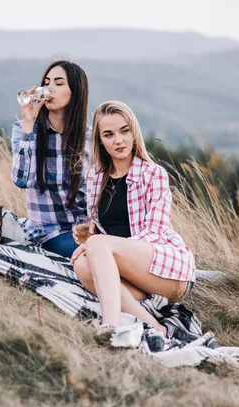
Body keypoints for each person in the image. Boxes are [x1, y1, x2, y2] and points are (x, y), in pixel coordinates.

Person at [71, 100, 196, 338]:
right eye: (109, 134)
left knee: (95, 249)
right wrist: (90, 233)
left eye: (124, 131)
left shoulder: (153, 174)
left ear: (134, 132)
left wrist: (101, 246)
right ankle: (155, 326)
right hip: (130, 270)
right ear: (100, 140)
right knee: (81, 264)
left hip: (167, 268)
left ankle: (111, 325)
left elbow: (155, 232)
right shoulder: (95, 177)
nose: (118, 140)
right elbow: (103, 228)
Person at [11, 60, 91, 258]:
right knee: (92, 255)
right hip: (48, 231)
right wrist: (29, 124)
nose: (49, 88)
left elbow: (98, 190)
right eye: (46, 83)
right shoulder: (24, 129)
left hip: (85, 229)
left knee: (121, 251)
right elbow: (21, 180)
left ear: (76, 91)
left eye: (59, 83)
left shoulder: (89, 137)